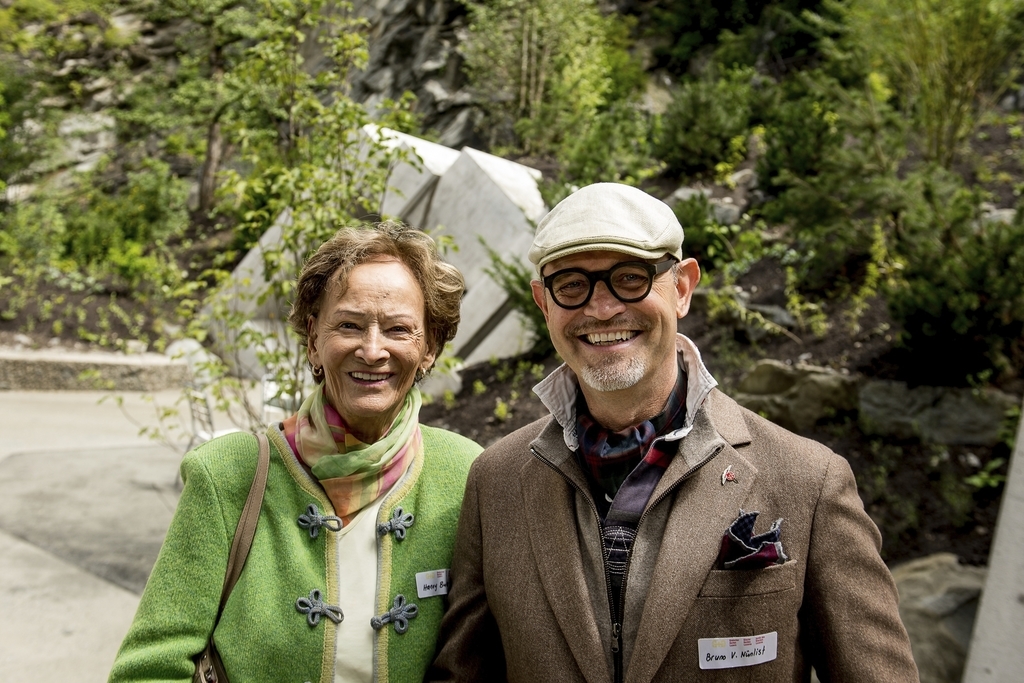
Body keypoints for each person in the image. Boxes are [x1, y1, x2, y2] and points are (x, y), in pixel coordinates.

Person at [428, 183, 919, 682]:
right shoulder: (497, 483)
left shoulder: (807, 481)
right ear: (543, 303)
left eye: (630, 277)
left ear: (681, 287)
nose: (601, 309)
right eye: (572, 285)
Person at [110, 222, 482, 683]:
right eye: (348, 324)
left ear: (428, 348)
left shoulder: (468, 474)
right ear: (313, 338)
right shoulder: (228, 473)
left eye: (398, 329)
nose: (371, 350)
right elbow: (149, 669)